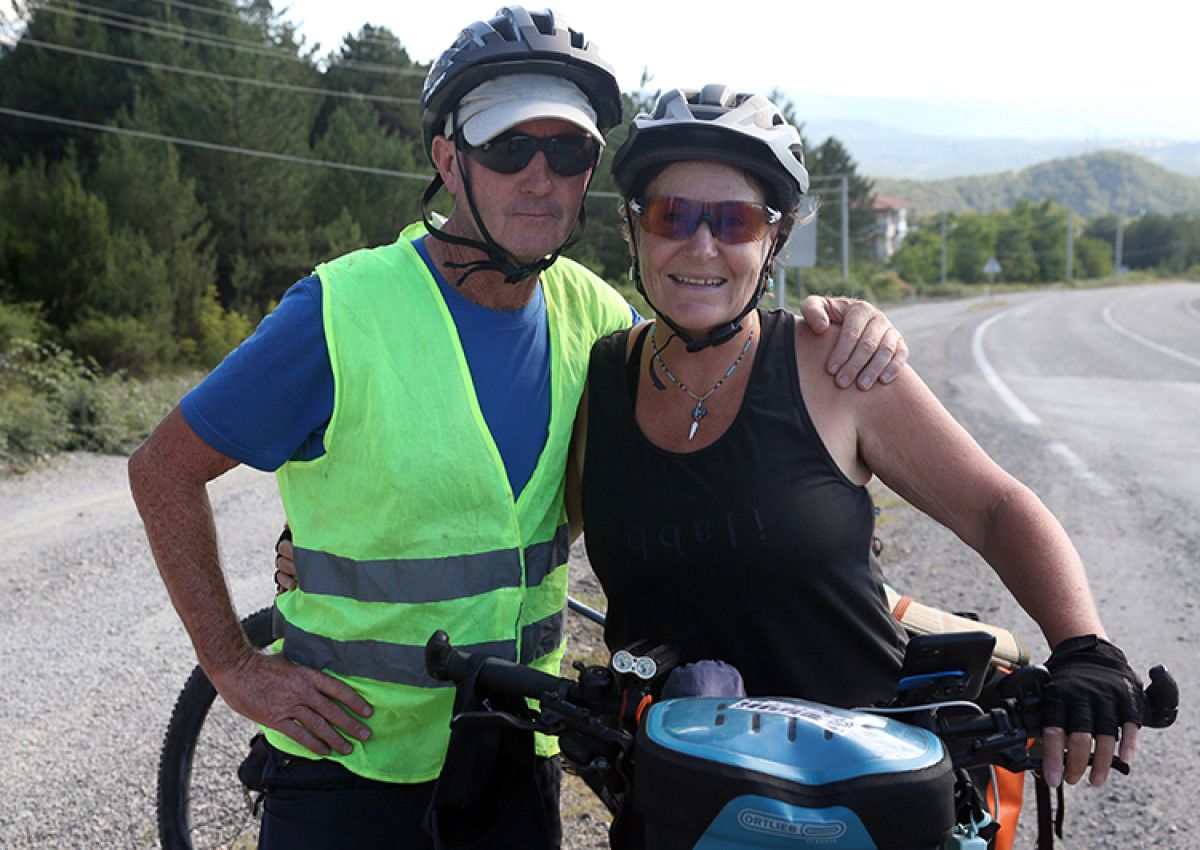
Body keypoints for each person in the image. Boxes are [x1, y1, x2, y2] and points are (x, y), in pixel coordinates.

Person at [128, 8, 907, 849]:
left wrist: (847, 327)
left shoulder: (598, 319)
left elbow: (686, 423)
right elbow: (161, 468)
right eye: (506, 149)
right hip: (350, 765)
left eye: (566, 152)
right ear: (448, 161)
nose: (538, 177)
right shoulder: (344, 310)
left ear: (589, 172)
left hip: (511, 754)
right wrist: (234, 667)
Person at [574, 84, 1149, 804]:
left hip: (860, 795)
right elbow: (510, 535)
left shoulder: (836, 365)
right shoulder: (600, 379)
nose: (701, 244)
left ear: (774, 239)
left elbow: (994, 506)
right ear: (633, 228)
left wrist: (1084, 648)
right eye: (671, 215)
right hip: (672, 800)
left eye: (735, 221)